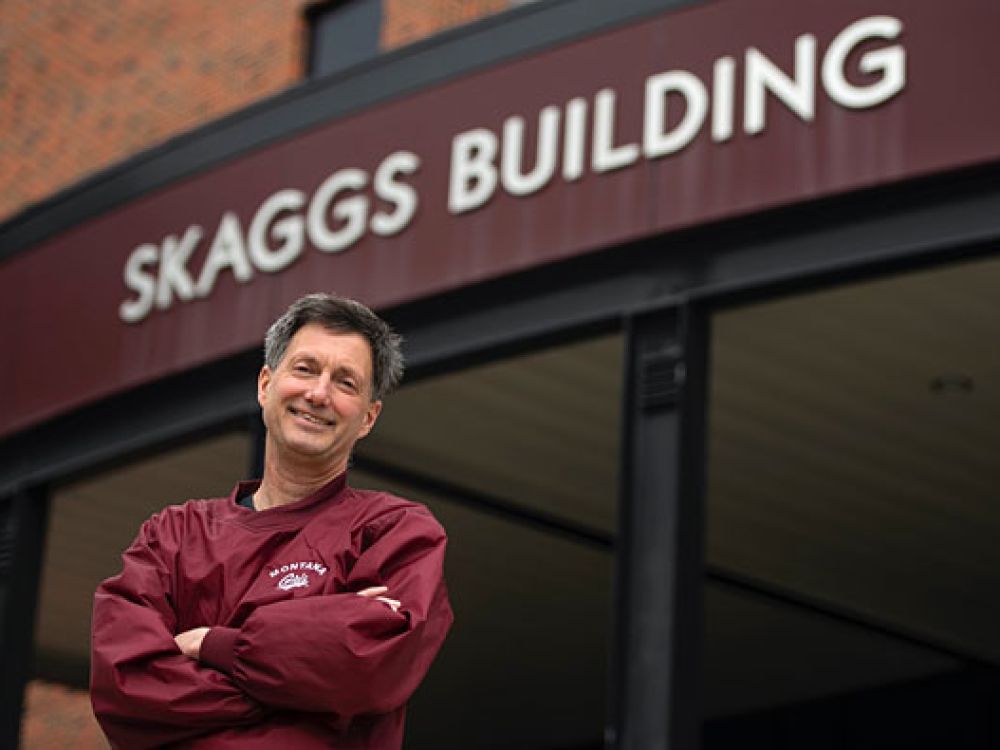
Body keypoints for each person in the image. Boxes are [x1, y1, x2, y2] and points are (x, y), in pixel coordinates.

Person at [91, 293, 453, 749]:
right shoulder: (173, 536)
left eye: (345, 383)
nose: (319, 394)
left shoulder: (395, 531)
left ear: (368, 417)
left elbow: (370, 662)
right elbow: (126, 687)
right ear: (266, 384)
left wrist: (214, 647)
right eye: (305, 369)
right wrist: (301, 679)